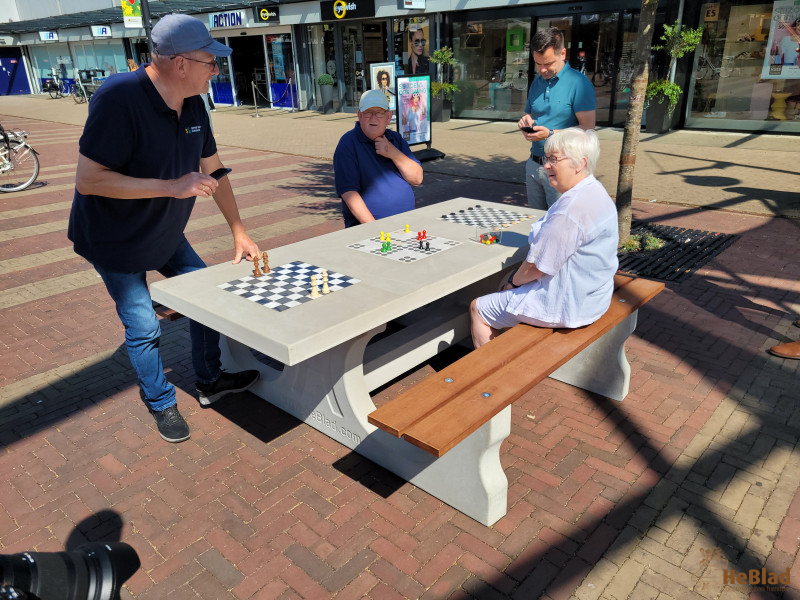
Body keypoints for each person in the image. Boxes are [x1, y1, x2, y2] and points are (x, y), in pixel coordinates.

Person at [69, 13, 260, 443]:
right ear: (181, 63)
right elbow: (89, 179)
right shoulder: (118, 97)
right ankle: (161, 402)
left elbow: (214, 169)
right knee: (143, 326)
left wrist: (238, 229)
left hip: (164, 231)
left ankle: (209, 382)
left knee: (205, 296)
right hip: (113, 238)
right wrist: (171, 186)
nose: (217, 69)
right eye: (211, 61)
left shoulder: (193, 102)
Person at [470, 128, 618, 348]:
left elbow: (536, 267)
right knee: (508, 281)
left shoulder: (569, 211)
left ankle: (489, 374)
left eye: (554, 159)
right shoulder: (595, 190)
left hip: (568, 305)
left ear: (580, 163)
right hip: (595, 294)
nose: (546, 165)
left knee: (478, 307)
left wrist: (511, 283)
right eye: (546, 158)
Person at [519, 27, 596, 211]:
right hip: (534, 163)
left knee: (562, 224)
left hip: (564, 168)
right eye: (538, 64)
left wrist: (551, 134)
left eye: (548, 63)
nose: (542, 69)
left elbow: (588, 128)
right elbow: (530, 113)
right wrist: (525, 121)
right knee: (535, 224)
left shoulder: (579, 83)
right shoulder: (537, 82)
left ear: (562, 53)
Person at [333, 89, 423, 227]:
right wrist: (375, 229)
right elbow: (349, 194)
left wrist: (393, 152)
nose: (373, 118)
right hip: (372, 232)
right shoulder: (348, 144)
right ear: (359, 115)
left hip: (406, 224)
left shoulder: (396, 139)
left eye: (379, 112)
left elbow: (417, 178)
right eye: (368, 112)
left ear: (388, 117)